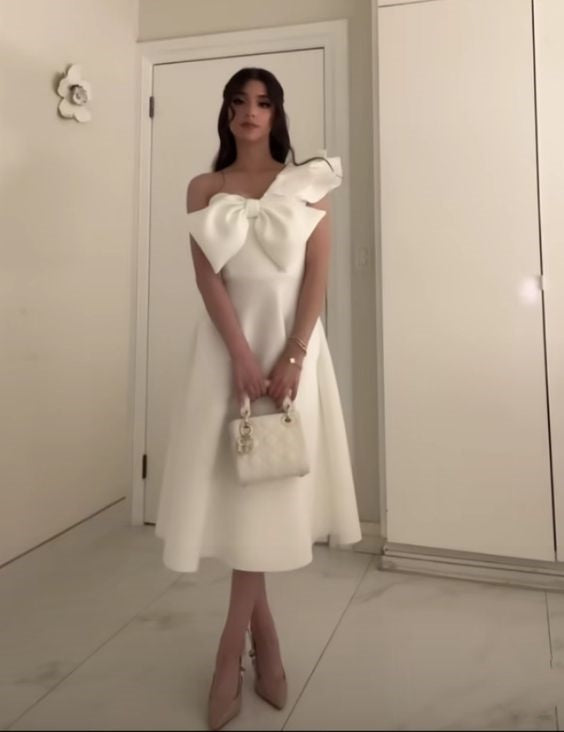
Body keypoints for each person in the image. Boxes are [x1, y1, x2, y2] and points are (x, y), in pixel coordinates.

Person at [154, 67, 362, 730]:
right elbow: (207, 280)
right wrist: (241, 356)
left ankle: (232, 652)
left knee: (268, 490)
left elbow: (317, 277)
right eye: (240, 101)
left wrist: (293, 354)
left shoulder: (307, 184)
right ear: (227, 113)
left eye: (264, 102)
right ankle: (259, 640)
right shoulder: (204, 188)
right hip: (227, 352)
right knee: (240, 491)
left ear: (276, 114)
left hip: (292, 351)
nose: (251, 111)